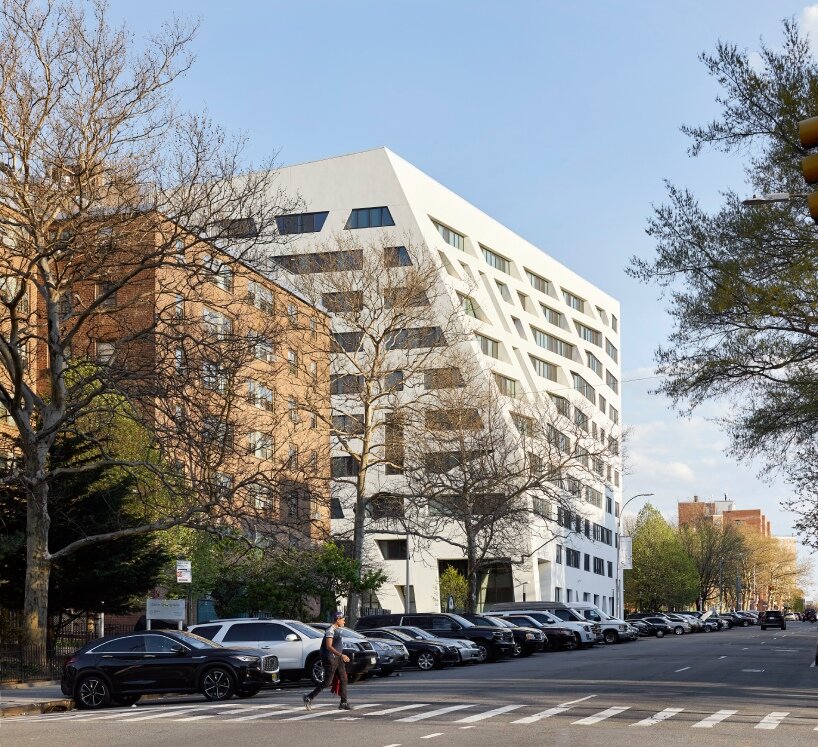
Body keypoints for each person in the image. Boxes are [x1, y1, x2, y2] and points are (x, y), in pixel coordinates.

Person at [304, 611, 352, 711]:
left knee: (344, 679)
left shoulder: (338, 629)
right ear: (338, 619)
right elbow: (329, 646)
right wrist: (341, 655)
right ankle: (309, 697)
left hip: (337, 658)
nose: (344, 622)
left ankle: (343, 702)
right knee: (327, 682)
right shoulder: (330, 630)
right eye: (343, 620)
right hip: (330, 658)